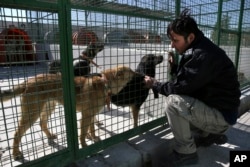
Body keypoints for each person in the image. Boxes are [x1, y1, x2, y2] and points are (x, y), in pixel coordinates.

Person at [144, 9, 241, 166]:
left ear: (190, 37)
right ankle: (209, 134)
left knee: (173, 103)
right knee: (186, 101)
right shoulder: (203, 49)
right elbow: (192, 82)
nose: (172, 45)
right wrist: (175, 68)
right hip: (223, 110)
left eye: (175, 40)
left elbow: (179, 88)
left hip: (221, 117)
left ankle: (186, 153)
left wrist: (155, 84)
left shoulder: (201, 55)